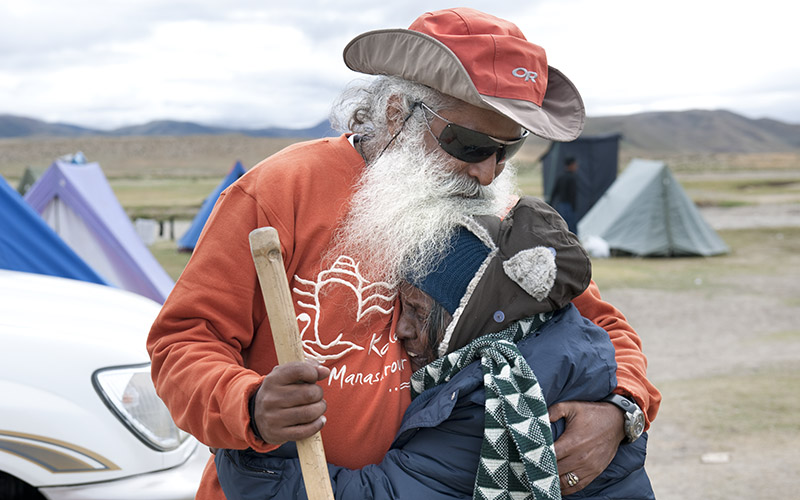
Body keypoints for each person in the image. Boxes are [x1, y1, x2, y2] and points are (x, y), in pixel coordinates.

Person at [146, 8, 661, 499]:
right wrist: (251, 405)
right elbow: (183, 343)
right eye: (469, 144)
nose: (488, 173)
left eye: (509, 149)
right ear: (397, 114)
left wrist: (623, 411)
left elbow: (605, 329)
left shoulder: (504, 221)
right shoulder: (281, 192)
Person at [214, 196, 655, 499]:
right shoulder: (552, 338)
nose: (400, 330)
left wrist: (249, 447)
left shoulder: (503, 396)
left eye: (419, 312)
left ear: (473, 320)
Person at [549, 157, 579, 232]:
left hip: (561, 205)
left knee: (562, 226)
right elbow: (573, 194)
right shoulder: (572, 178)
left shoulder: (561, 177)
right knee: (571, 228)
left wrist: (550, 204)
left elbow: (554, 192)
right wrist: (574, 207)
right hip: (568, 206)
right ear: (571, 165)